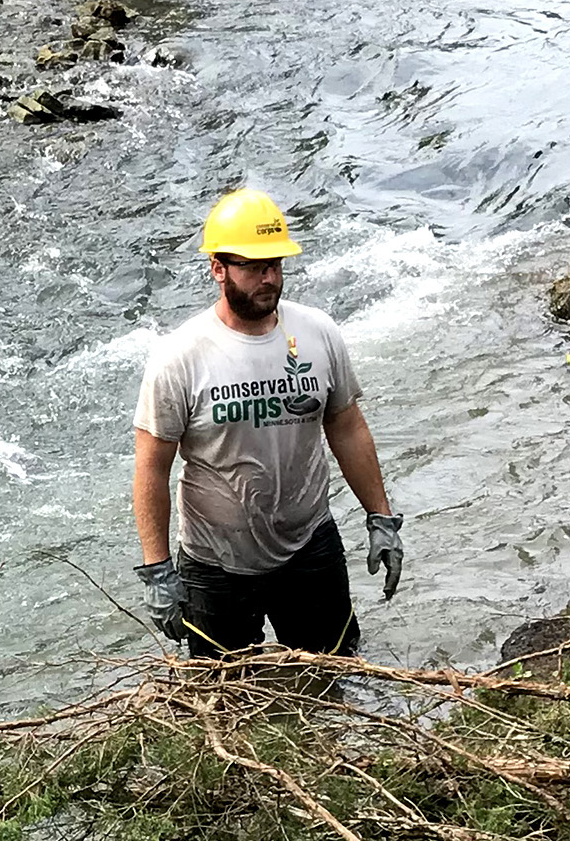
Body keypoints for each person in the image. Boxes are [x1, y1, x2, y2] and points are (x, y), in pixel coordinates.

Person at [130, 188, 404, 657]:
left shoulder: (317, 334)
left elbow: (347, 427)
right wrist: (158, 570)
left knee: (334, 674)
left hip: (309, 545)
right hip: (215, 562)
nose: (270, 278)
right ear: (218, 269)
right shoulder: (180, 357)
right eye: (255, 267)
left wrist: (380, 517)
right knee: (223, 700)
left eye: (276, 264)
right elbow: (152, 467)